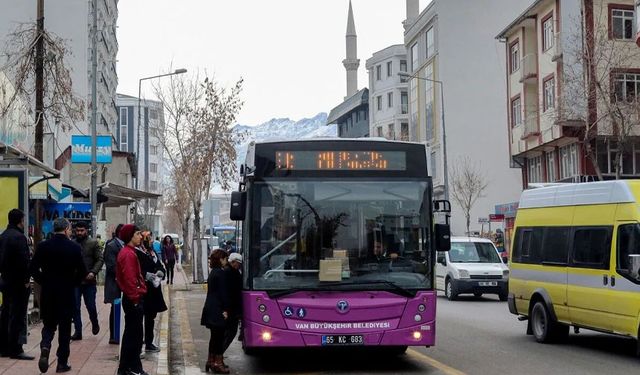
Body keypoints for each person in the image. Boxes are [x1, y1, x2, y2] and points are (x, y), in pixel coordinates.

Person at [30, 218, 87, 373]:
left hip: (48, 293)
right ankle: (62, 362)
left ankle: (45, 345)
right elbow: (82, 272)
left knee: (49, 324)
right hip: (67, 293)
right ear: (67, 229)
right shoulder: (74, 248)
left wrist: (44, 281)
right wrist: (72, 283)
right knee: (65, 328)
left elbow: (33, 269)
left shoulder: (43, 246)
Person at [0, 209, 34, 360]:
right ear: (20, 221)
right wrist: (27, 281)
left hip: (5, 280)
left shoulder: (3, 236)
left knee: (6, 313)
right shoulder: (20, 238)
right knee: (18, 315)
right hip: (19, 283)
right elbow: (24, 262)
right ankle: (16, 348)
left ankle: (4, 347)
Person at [116, 224, 148, 375]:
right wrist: (136, 298)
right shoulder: (128, 254)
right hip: (132, 299)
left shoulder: (129, 252)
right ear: (130, 236)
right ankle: (132, 368)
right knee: (134, 337)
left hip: (132, 298)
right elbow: (129, 279)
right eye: (137, 234)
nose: (140, 236)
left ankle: (127, 368)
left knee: (133, 335)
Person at [71, 221, 104, 340]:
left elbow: (100, 259)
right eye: (77, 230)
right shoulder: (72, 243)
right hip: (75, 281)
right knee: (75, 306)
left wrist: (93, 272)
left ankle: (94, 322)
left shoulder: (93, 243)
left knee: (90, 305)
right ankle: (78, 331)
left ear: (86, 231)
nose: (79, 233)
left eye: (82, 230)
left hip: (89, 281)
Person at [201, 249, 230, 374]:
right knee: (219, 337)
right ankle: (217, 363)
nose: (226, 261)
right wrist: (225, 309)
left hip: (210, 308)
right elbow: (223, 294)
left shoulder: (213, 272)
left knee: (214, 337)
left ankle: (210, 360)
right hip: (218, 309)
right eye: (225, 258)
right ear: (220, 259)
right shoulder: (221, 273)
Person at [137, 232, 167, 353]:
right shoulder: (138, 253)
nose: (150, 241)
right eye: (148, 239)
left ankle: (149, 342)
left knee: (150, 318)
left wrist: (160, 272)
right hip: (143, 290)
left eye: (150, 239)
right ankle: (139, 344)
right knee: (139, 319)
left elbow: (160, 266)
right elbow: (138, 270)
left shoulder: (152, 252)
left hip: (154, 290)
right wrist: (147, 275)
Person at [104, 223, 124, 345]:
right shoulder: (111, 246)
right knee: (115, 308)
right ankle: (113, 335)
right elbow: (111, 266)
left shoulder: (127, 245)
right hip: (115, 282)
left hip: (125, 282)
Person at [223, 253, 242, 352]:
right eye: (237, 263)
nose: (238, 265)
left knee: (230, 333)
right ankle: (218, 356)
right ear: (232, 261)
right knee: (229, 333)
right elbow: (227, 292)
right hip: (230, 309)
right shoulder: (228, 272)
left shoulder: (234, 271)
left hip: (233, 308)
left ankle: (218, 356)